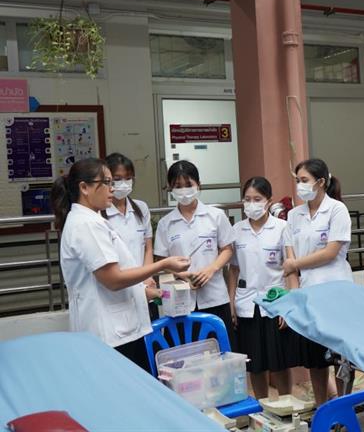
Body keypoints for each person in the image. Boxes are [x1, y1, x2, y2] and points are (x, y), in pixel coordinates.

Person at [52, 158, 190, 371]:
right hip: (110, 334)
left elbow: (112, 276)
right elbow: (113, 280)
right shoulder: (86, 224)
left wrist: (149, 291)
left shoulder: (92, 220)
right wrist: (163, 265)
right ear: (84, 188)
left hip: (120, 328)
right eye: (107, 182)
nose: (112, 188)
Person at [283, 158, 352, 405]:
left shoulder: (336, 210)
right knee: (315, 358)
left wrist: (295, 264)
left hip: (335, 293)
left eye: (305, 181)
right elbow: (289, 258)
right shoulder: (293, 215)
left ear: (321, 182)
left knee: (340, 356)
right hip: (308, 296)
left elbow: (331, 252)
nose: (300, 186)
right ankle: (323, 408)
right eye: (298, 181)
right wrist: (293, 298)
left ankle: (344, 407)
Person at [229, 176, 296, 399]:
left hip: (275, 302)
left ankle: (287, 406)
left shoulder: (282, 227)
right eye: (247, 199)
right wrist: (231, 303)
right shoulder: (237, 230)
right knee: (254, 364)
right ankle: (262, 407)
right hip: (246, 304)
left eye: (257, 198)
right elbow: (234, 270)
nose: (251, 203)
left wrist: (288, 306)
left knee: (280, 362)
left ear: (269, 200)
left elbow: (290, 268)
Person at [154, 160, 236, 341]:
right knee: (185, 353)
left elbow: (227, 249)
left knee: (219, 351)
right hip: (180, 298)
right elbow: (160, 259)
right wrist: (182, 275)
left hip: (214, 295)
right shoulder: (165, 223)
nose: (183, 190)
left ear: (199, 185)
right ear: (170, 188)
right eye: (178, 186)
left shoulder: (215, 216)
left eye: (188, 185)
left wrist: (211, 269)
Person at [102, 152, 162, 320]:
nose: (123, 183)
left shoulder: (141, 208)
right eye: (117, 178)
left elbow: (148, 248)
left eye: (128, 178)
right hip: (119, 291)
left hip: (146, 287)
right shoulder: (100, 215)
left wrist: (147, 276)